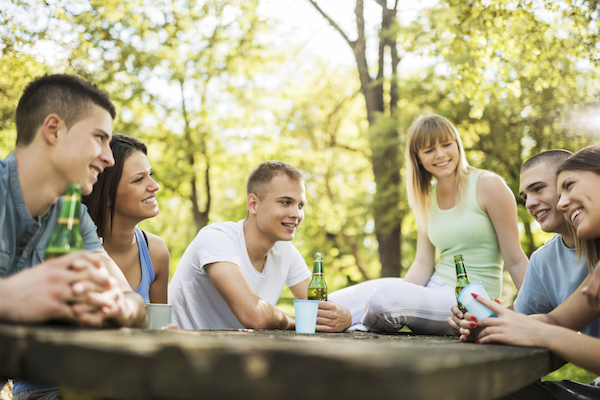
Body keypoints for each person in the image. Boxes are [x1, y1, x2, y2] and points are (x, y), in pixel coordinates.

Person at [0, 74, 147, 400]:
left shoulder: (73, 215)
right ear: (53, 129)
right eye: (99, 138)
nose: (109, 158)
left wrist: (117, 306)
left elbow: (133, 302)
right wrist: (13, 296)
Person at [329, 114, 528, 334]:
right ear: (418, 158)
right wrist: (399, 290)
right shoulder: (425, 196)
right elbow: (423, 263)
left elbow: (516, 260)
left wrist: (536, 314)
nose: (440, 154)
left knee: (384, 298)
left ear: (457, 145)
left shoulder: (489, 186)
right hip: (433, 289)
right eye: (429, 150)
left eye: (446, 144)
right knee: (331, 303)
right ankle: (294, 322)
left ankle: (357, 327)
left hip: (471, 301)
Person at [459, 145, 600, 399]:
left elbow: (550, 327)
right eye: (525, 196)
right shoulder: (552, 260)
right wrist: (489, 323)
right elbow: (557, 320)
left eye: (569, 185)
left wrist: (541, 333)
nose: (563, 202)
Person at [169, 161, 352, 332]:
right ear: (253, 204)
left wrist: (344, 317)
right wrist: (298, 322)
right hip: (182, 355)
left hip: (237, 355)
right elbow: (256, 316)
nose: (297, 214)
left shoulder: (285, 252)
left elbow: (321, 311)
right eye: (286, 202)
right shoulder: (216, 238)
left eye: (301, 205)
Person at [82, 134, 170, 304]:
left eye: (150, 174)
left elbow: (157, 326)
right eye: (139, 179)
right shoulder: (70, 249)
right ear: (105, 195)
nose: (155, 186)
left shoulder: (155, 253)